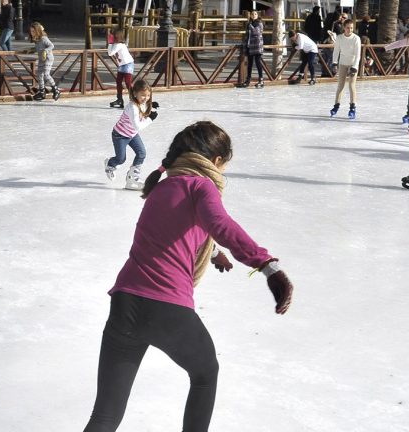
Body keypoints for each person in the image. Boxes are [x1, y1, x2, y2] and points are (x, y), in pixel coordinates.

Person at [83, 121, 293, 432]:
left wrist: (210, 253)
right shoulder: (202, 186)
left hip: (125, 304)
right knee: (205, 374)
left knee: (105, 417)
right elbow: (220, 224)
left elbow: (170, 231)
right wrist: (267, 266)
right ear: (216, 161)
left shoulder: (161, 187)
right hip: (166, 308)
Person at [105, 80, 158, 189]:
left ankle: (132, 178)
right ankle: (110, 164)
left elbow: (144, 109)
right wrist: (151, 119)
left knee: (141, 153)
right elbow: (137, 126)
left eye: (148, 95)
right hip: (120, 135)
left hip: (132, 134)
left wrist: (152, 105)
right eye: (143, 95)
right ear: (135, 94)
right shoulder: (132, 107)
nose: (146, 98)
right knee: (121, 159)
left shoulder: (143, 103)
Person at [330, 18, 361, 119]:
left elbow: (358, 54)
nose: (350, 30)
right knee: (340, 86)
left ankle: (352, 108)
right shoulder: (339, 38)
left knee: (351, 85)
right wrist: (334, 63)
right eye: (348, 28)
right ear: (344, 28)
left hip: (352, 64)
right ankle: (336, 106)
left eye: (351, 28)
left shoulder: (356, 38)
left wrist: (355, 67)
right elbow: (336, 51)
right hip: (343, 63)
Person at [27, 21, 59, 101]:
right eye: (31, 31)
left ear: (37, 31)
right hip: (41, 58)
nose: (32, 33)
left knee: (46, 74)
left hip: (48, 58)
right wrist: (32, 49)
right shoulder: (36, 39)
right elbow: (39, 48)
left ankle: (56, 90)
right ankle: (42, 92)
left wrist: (45, 51)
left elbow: (51, 45)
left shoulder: (43, 38)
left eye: (33, 31)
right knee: (39, 75)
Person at [107, 29, 134, 108]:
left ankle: (134, 99)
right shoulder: (116, 44)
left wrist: (110, 43)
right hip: (122, 65)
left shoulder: (119, 45)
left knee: (127, 82)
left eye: (112, 36)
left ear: (116, 36)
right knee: (118, 81)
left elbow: (110, 53)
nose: (110, 37)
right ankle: (119, 99)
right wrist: (111, 43)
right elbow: (110, 53)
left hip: (128, 64)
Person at [243, 10, 265, 88]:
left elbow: (256, 32)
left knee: (258, 62)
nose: (254, 15)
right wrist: (245, 46)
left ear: (257, 15)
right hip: (250, 46)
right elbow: (246, 35)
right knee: (250, 64)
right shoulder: (249, 24)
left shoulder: (259, 23)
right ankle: (248, 79)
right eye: (252, 14)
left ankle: (261, 80)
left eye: (255, 14)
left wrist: (250, 26)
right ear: (250, 15)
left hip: (257, 46)